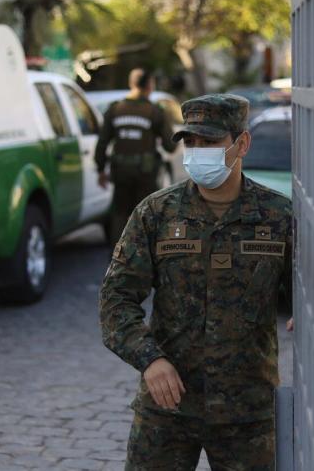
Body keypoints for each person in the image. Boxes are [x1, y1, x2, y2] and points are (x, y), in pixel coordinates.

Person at [99, 94, 293, 470]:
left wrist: (311, 312)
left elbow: (312, 288)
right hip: (167, 408)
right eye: (191, 142)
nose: (197, 151)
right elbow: (116, 298)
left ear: (242, 144)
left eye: (210, 141)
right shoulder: (156, 213)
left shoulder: (278, 217)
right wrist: (149, 359)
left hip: (247, 413)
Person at [94, 68, 177, 246]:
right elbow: (169, 146)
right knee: (146, 212)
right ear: (149, 86)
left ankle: (118, 256)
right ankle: (145, 253)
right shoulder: (154, 111)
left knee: (119, 213)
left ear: (131, 84)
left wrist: (101, 170)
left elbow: (102, 143)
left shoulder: (115, 109)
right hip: (145, 173)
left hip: (120, 171)